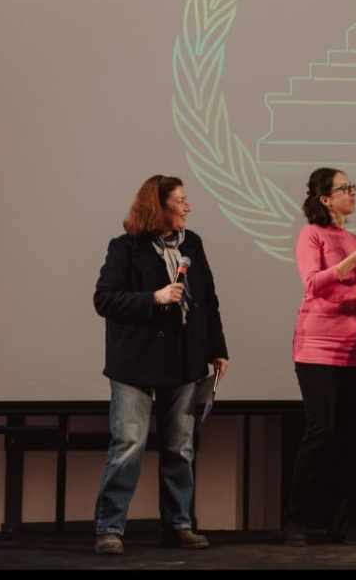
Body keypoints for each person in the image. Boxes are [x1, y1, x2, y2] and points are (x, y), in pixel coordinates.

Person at [92, 175, 229, 555]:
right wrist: (154, 297)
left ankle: (179, 526)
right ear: (159, 206)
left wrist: (217, 348)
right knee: (128, 445)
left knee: (180, 448)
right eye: (180, 201)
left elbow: (208, 299)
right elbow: (104, 300)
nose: (188, 207)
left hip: (184, 360)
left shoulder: (192, 244)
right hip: (134, 363)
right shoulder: (124, 248)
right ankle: (109, 529)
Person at [283, 168, 356, 546]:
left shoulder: (355, 239)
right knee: (321, 431)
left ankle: (346, 523)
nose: (352, 193)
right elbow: (313, 283)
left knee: (350, 436)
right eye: (345, 188)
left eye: (353, 187)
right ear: (325, 198)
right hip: (317, 346)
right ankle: (298, 520)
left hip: (355, 347)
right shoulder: (311, 234)